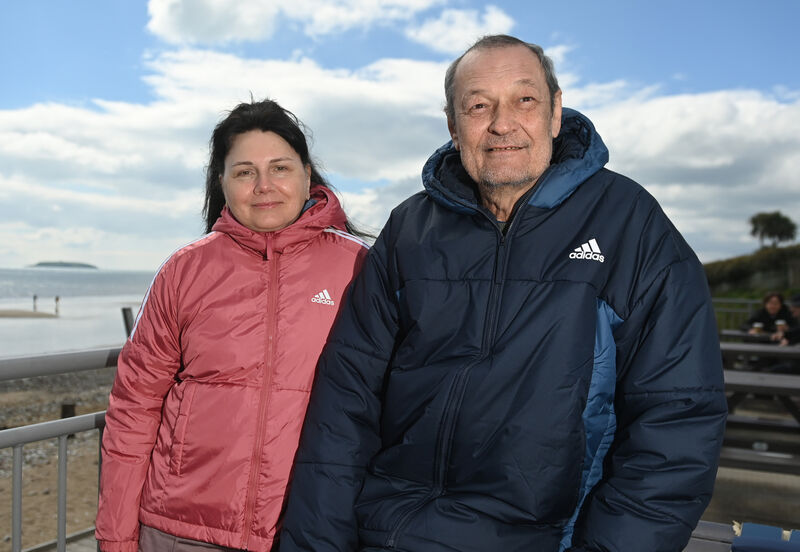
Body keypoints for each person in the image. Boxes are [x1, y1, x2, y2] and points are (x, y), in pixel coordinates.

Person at [279, 35, 727, 552]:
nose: (502, 123)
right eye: (477, 106)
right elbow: (345, 404)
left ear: (556, 112)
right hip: (388, 530)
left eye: (525, 100)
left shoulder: (632, 224)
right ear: (452, 125)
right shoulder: (409, 230)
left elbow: (677, 420)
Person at [95, 99, 369, 552]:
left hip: (308, 528)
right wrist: (116, 537)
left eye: (280, 168)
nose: (264, 186)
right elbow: (134, 409)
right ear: (222, 183)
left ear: (307, 174)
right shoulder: (184, 270)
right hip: (178, 528)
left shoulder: (359, 267)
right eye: (244, 172)